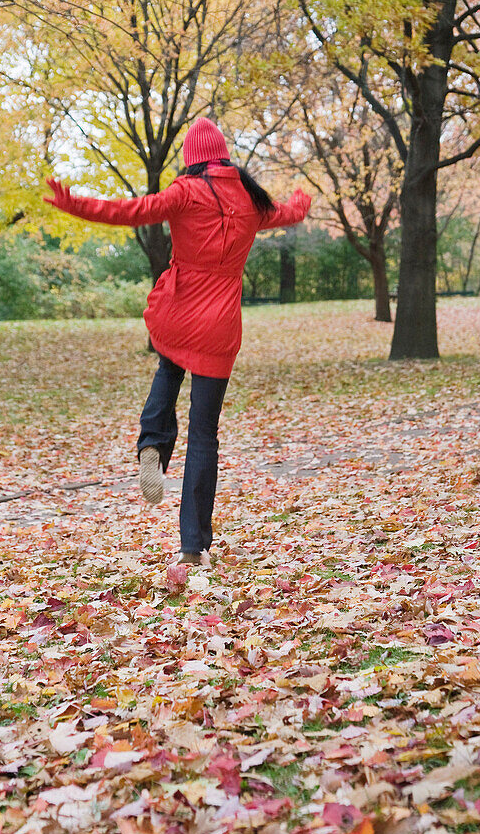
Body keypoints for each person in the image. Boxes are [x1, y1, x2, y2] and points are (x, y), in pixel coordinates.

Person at [44, 117, 311, 568]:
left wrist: (74, 205)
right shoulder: (251, 200)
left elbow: (130, 211)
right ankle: (193, 546)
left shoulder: (186, 192)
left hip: (181, 310)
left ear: (192, 160)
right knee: (205, 434)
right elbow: (290, 212)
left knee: (168, 366)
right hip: (221, 324)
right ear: (224, 156)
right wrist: (302, 199)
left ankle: (153, 441)